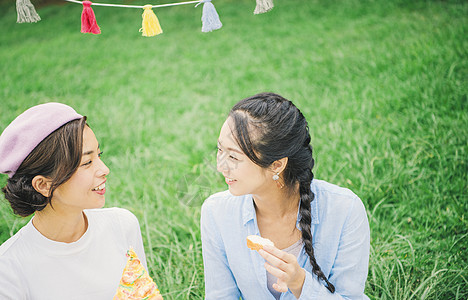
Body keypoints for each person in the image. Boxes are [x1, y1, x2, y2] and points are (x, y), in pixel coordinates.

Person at [201, 93, 370, 299]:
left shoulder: (345, 210)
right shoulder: (216, 212)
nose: (220, 166)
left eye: (234, 156)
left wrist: (300, 283)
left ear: (277, 165)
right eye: (220, 150)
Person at [0, 103, 149, 299]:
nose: (104, 169)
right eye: (87, 162)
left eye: (99, 155)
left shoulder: (122, 225)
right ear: (43, 185)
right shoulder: (9, 269)